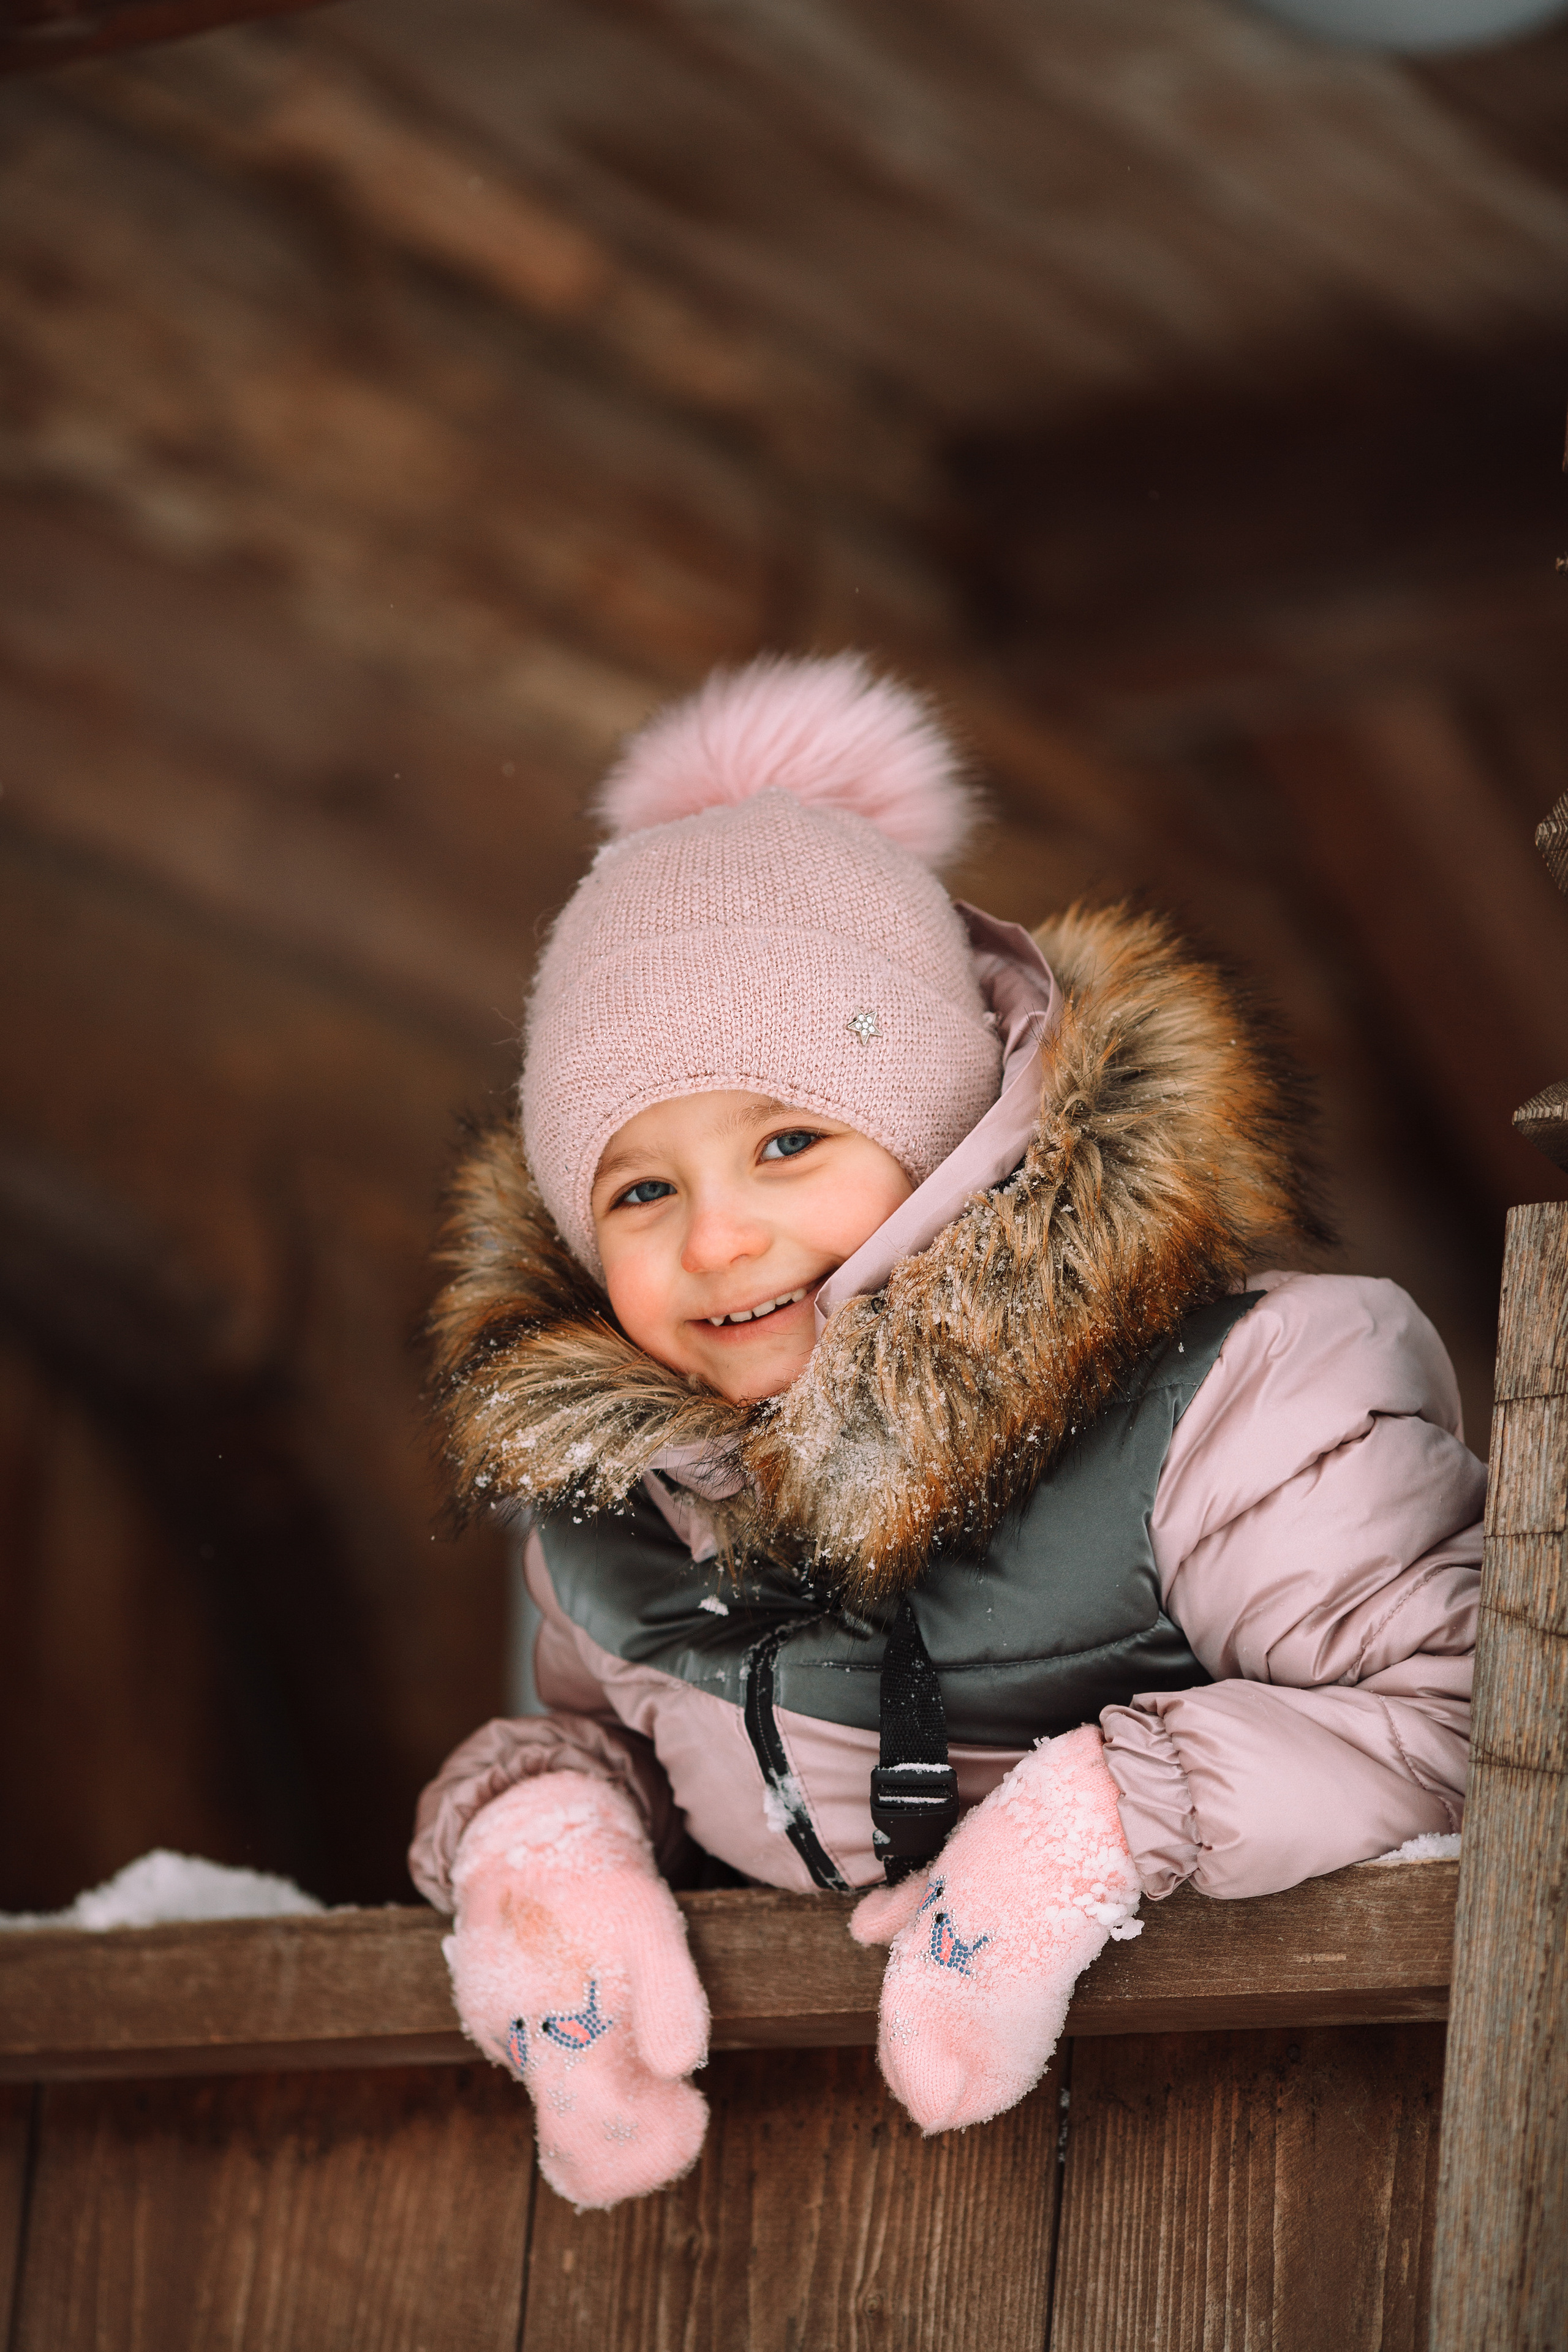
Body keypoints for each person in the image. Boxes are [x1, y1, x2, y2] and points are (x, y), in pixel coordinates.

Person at [410, 654, 1482, 2209]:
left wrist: (1102, 1824)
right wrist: (545, 1835)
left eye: (787, 1141)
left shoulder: (1235, 1399)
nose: (716, 1239)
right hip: (850, 2206)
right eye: (641, 1188)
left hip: (1284, 2160)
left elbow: (1464, 1719)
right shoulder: (621, 1508)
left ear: (945, 1139)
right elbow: (624, 1735)